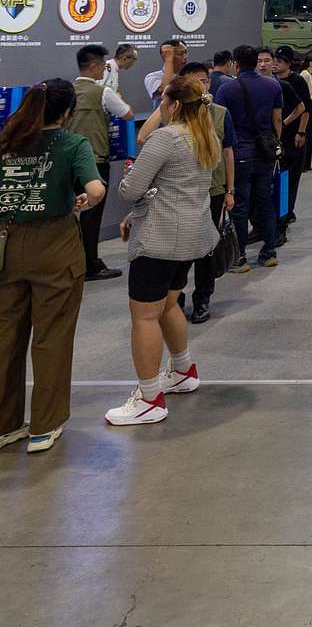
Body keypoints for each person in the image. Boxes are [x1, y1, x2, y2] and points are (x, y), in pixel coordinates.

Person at [105, 74, 222, 428]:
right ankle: (183, 370)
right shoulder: (207, 136)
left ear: (173, 104)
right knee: (169, 304)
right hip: (190, 235)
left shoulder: (166, 138)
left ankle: (149, 398)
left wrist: (133, 171)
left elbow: (129, 189)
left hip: (158, 239)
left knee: (144, 316)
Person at [0, 80, 105, 453]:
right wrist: (84, 200)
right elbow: (95, 189)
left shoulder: (7, 141)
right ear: (67, 112)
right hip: (54, 247)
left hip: (6, 247)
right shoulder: (71, 143)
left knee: (5, 337)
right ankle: (43, 427)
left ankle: (4, 424)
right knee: (52, 336)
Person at [71, 43, 132, 281]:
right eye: (103, 66)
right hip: (95, 160)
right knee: (92, 215)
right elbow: (127, 113)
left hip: (68, 161)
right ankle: (91, 265)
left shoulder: (67, 91)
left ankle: (73, 262)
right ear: (95, 66)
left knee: (68, 213)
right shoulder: (103, 92)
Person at [181, 62, 236, 325]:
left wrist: (229, 190)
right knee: (180, 247)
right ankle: (175, 296)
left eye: (202, 81)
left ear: (209, 83)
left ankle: (202, 298)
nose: (199, 86)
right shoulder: (177, 113)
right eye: (192, 82)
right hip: (181, 192)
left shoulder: (221, 113)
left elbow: (228, 152)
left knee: (206, 249)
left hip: (213, 190)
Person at [221, 43, 283, 272]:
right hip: (265, 152)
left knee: (240, 205)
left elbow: (220, 123)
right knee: (265, 200)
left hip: (239, 153)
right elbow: (277, 119)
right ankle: (269, 252)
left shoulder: (227, 89)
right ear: (256, 61)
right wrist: (276, 142)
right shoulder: (272, 85)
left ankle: (239, 257)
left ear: (235, 64)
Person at [271, 46, 311, 243]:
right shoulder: (272, 81)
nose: (274, 64)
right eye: (274, 60)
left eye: (279, 61)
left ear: (288, 63)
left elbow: (305, 109)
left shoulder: (297, 81)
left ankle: (284, 218)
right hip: (276, 138)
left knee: (288, 179)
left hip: (293, 136)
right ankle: (284, 212)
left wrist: (300, 132)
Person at [143, 38, 187, 104]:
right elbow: (166, 91)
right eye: (180, 54)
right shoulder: (153, 77)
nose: (185, 57)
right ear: (165, 56)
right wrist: (168, 60)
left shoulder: (190, 74)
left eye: (185, 52)